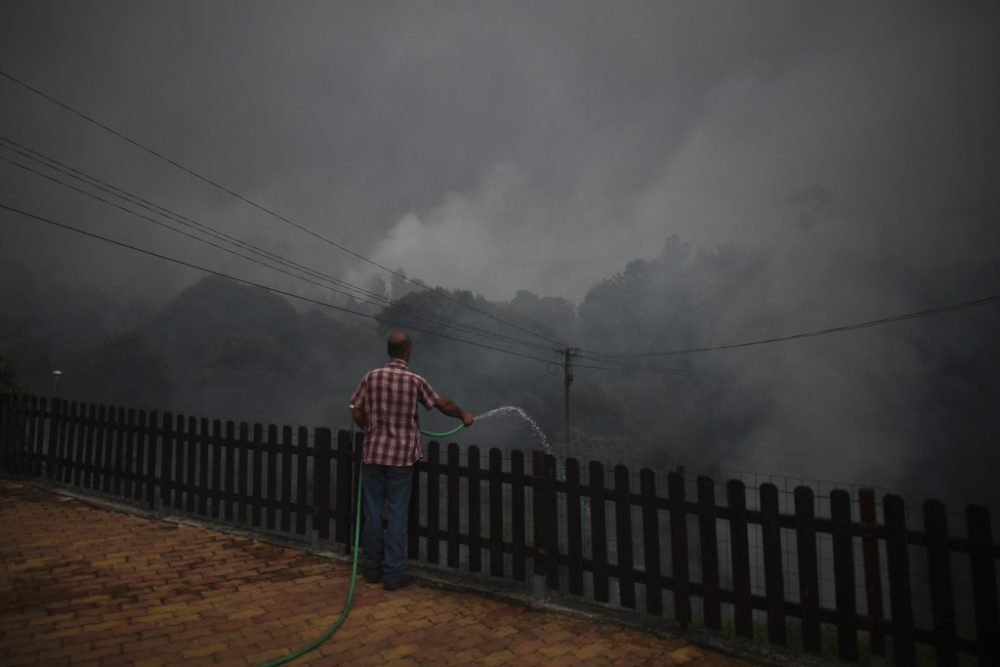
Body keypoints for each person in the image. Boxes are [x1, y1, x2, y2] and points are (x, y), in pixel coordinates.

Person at [350, 330, 474, 590]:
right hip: (402, 459)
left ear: (389, 351)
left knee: (372, 514)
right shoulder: (414, 380)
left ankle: (371, 570)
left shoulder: (371, 377)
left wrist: (369, 428)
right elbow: (442, 404)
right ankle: (393, 575)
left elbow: (356, 409)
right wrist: (463, 414)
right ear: (408, 351)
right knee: (396, 516)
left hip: (373, 454)